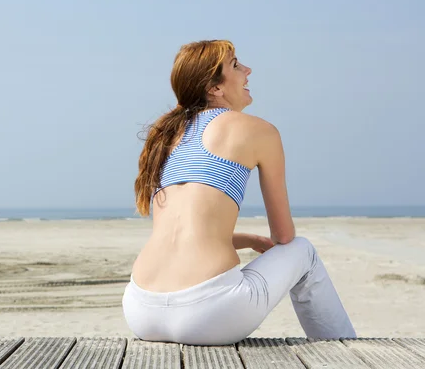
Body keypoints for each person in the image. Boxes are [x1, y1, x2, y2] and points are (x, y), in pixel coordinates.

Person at [122, 39, 356, 345]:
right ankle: (344, 351)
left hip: (141, 309)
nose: (248, 70)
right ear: (215, 88)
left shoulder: (167, 134)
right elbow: (284, 237)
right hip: (208, 312)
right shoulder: (257, 130)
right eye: (235, 65)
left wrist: (241, 239)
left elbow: (178, 234)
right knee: (303, 251)